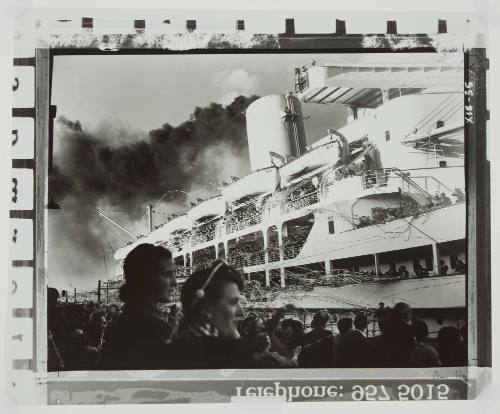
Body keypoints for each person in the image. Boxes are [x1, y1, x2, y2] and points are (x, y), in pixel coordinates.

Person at [99, 244, 176, 370]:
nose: (174, 282)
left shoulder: (130, 316)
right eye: (167, 274)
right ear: (148, 277)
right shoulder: (155, 327)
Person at [165, 260, 251, 369]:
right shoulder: (217, 360)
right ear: (205, 308)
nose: (241, 312)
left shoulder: (177, 346)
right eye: (233, 302)